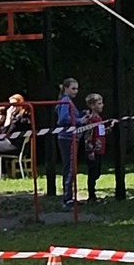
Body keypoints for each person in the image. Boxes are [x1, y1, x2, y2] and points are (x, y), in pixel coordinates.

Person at [55, 78, 80, 208]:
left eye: (77, 88)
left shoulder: (67, 100)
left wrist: (82, 115)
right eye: (73, 88)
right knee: (70, 167)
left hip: (70, 137)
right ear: (66, 88)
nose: (76, 91)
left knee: (70, 166)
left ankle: (69, 196)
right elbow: (63, 119)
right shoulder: (65, 100)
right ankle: (67, 198)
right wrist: (80, 121)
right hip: (67, 138)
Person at [83, 93, 107, 202]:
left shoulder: (99, 119)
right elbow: (88, 136)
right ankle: (91, 195)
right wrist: (90, 150)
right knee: (93, 173)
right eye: (99, 103)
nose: (102, 105)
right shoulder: (91, 120)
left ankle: (93, 194)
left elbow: (100, 133)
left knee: (97, 172)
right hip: (93, 151)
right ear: (92, 106)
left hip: (100, 150)